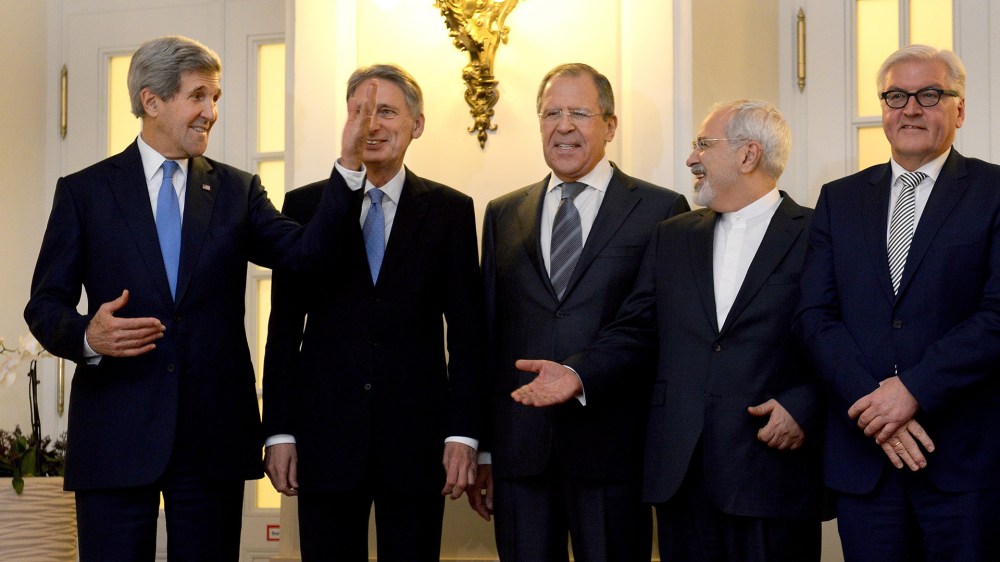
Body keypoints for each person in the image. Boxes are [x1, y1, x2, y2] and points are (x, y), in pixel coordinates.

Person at [23, 35, 357, 561]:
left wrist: (349, 168)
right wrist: (88, 335)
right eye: (198, 96)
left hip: (212, 441)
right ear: (151, 100)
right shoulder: (84, 192)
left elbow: (306, 255)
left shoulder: (238, 191)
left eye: (216, 97)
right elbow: (44, 306)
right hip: (116, 437)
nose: (212, 112)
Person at [513, 100, 826, 561]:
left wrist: (805, 405)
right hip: (682, 473)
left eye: (703, 145)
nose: (691, 158)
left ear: (748, 155)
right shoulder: (675, 236)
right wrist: (577, 374)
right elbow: (635, 330)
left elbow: (845, 336)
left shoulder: (819, 233)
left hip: (771, 469)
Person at [261, 64, 486, 562]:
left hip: (418, 442)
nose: (372, 125)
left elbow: (468, 335)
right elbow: (282, 329)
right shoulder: (305, 205)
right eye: (360, 112)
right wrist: (278, 431)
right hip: (324, 442)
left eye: (386, 112)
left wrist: (463, 432)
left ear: (417, 124)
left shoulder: (450, 211)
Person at [472, 62, 689, 561]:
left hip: (613, 452)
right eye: (551, 113)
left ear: (610, 126)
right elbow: (487, 335)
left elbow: (659, 331)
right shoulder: (503, 213)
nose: (563, 126)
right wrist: (485, 448)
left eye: (579, 113)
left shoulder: (660, 210)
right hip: (520, 453)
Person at [794, 45, 1000, 561]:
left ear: (960, 109)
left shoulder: (994, 191)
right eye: (896, 96)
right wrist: (875, 406)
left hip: (963, 461)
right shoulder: (838, 199)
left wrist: (913, 389)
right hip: (865, 459)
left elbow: (997, 314)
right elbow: (815, 317)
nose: (910, 108)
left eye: (929, 94)